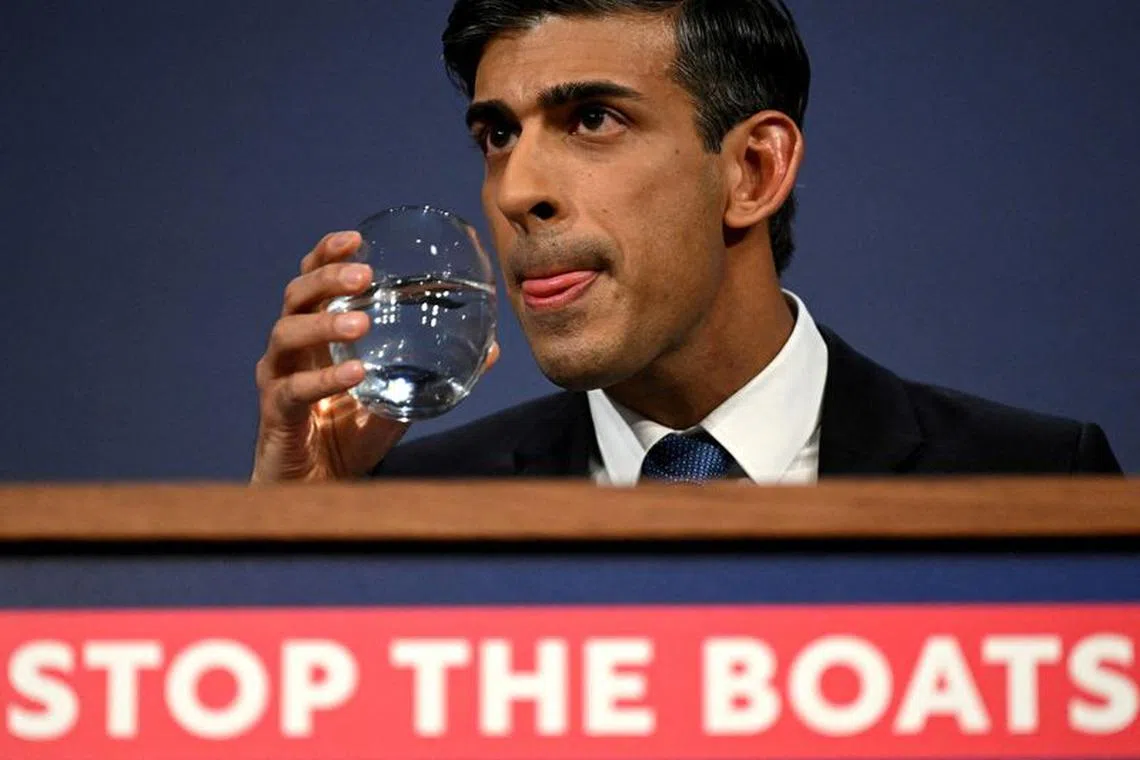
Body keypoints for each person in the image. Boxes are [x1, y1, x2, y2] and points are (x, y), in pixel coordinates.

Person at [251, 0, 1120, 484]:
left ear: (752, 169)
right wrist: (299, 536)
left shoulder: (1031, 478)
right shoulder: (410, 510)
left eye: (591, 119)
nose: (516, 193)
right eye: (498, 136)